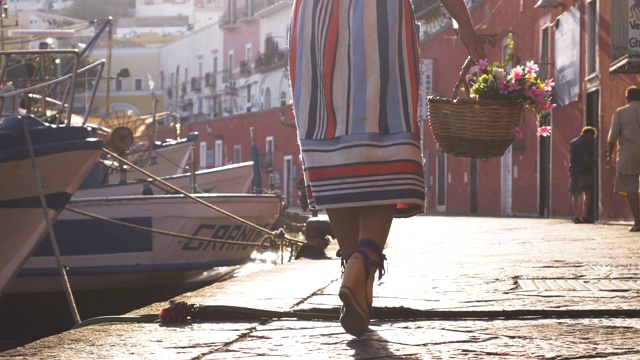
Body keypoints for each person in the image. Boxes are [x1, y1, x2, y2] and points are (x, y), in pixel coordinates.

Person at [289, 0, 485, 337]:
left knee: (330, 140)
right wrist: (464, 23)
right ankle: (362, 262)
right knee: (381, 139)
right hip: (379, 20)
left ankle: (355, 275)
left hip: (314, 22)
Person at [608, 86, 640, 232]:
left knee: (631, 188)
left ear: (627, 98)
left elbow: (612, 137)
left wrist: (609, 155)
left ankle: (638, 222)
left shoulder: (621, 112)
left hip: (628, 154)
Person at [569, 126, 598, 224]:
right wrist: (593, 163)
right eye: (592, 137)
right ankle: (585, 216)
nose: (592, 139)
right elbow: (586, 157)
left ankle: (576, 216)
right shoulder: (586, 142)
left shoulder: (573, 142)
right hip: (584, 170)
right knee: (587, 192)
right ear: (589, 134)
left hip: (573, 170)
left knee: (575, 194)